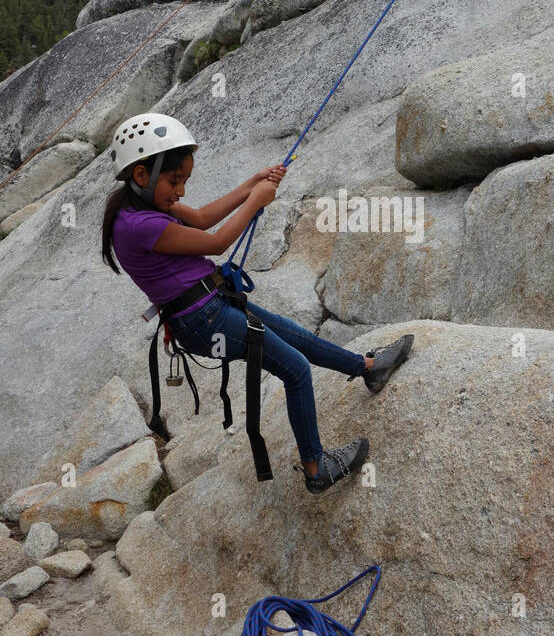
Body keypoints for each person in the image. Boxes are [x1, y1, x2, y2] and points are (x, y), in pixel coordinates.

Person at [100, 113, 413, 494]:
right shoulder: (140, 225)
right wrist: (256, 202)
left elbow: (200, 218)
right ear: (140, 176)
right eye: (174, 181)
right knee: (296, 369)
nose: (180, 191)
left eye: (183, 181)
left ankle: (368, 367)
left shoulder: (144, 206)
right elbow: (215, 242)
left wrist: (253, 185)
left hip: (212, 307)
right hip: (204, 320)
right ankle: (316, 468)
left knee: (296, 336)